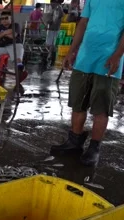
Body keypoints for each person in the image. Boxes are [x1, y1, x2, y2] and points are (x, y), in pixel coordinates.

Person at [50, 0, 124, 167]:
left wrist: (118, 55)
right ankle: (74, 142)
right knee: (77, 102)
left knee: (101, 107)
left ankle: (94, 148)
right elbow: (83, 22)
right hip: (85, 56)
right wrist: (71, 51)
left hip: (108, 58)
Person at [0, 11, 28, 83]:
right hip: (2, 46)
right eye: (2, 19)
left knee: (17, 59)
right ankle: (2, 68)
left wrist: (1, 33)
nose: (4, 20)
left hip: (15, 44)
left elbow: (13, 36)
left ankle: (21, 73)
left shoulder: (15, 25)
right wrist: (6, 32)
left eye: (6, 18)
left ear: (11, 18)